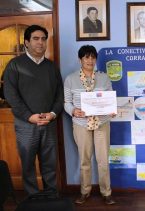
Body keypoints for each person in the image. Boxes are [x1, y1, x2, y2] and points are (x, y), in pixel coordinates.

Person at [3, 25, 63, 196]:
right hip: (25, 126)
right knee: (28, 165)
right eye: (36, 39)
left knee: (50, 164)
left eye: (44, 39)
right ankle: (33, 199)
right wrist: (29, 116)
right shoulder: (15, 65)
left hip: (48, 123)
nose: (40, 42)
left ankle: (51, 197)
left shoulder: (51, 67)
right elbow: (11, 95)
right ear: (26, 42)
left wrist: (52, 114)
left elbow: (60, 94)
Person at [64, 45, 116, 205]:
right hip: (81, 123)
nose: (90, 60)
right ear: (80, 59)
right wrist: (73, 111)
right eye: (86, 57)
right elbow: (66, 102)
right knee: (84, 160)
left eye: (93, 57)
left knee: (102, 160)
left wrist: (111, 109)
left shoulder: (104, 78)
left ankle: (106, 192)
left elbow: (109, 99)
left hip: (102, 122)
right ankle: (84, 191)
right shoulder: (70, 79)